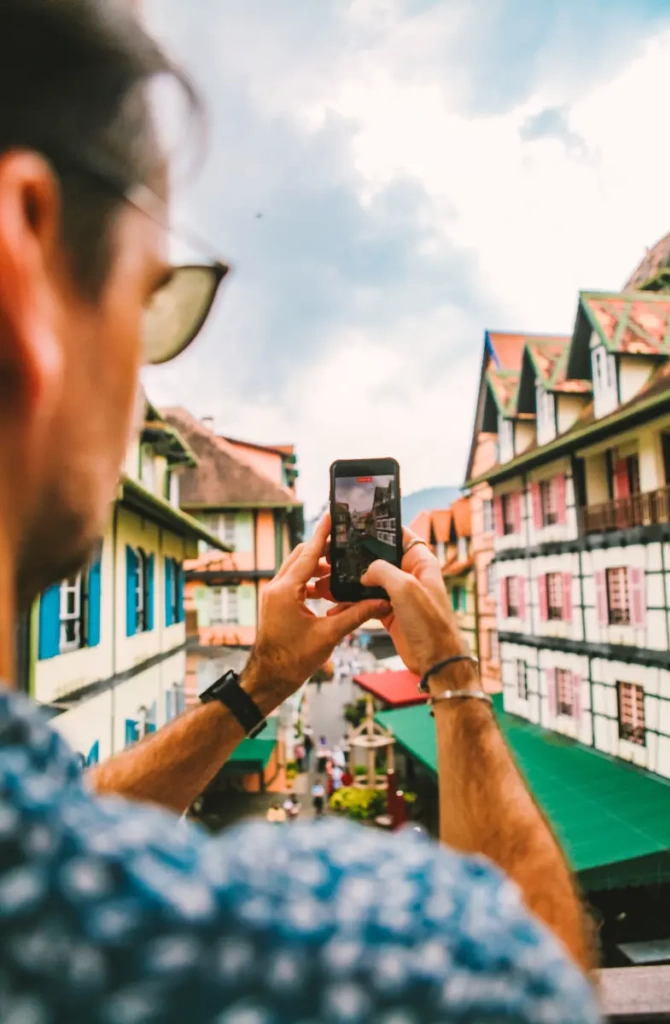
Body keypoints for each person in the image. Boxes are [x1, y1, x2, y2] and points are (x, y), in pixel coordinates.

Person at [0, 2, 599, 1020]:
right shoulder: (354, 951)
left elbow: (61, 827)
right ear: (26, 270)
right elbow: (536, 976)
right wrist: (452, 676)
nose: (141, 376)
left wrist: (264, 682)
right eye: (156, 299)